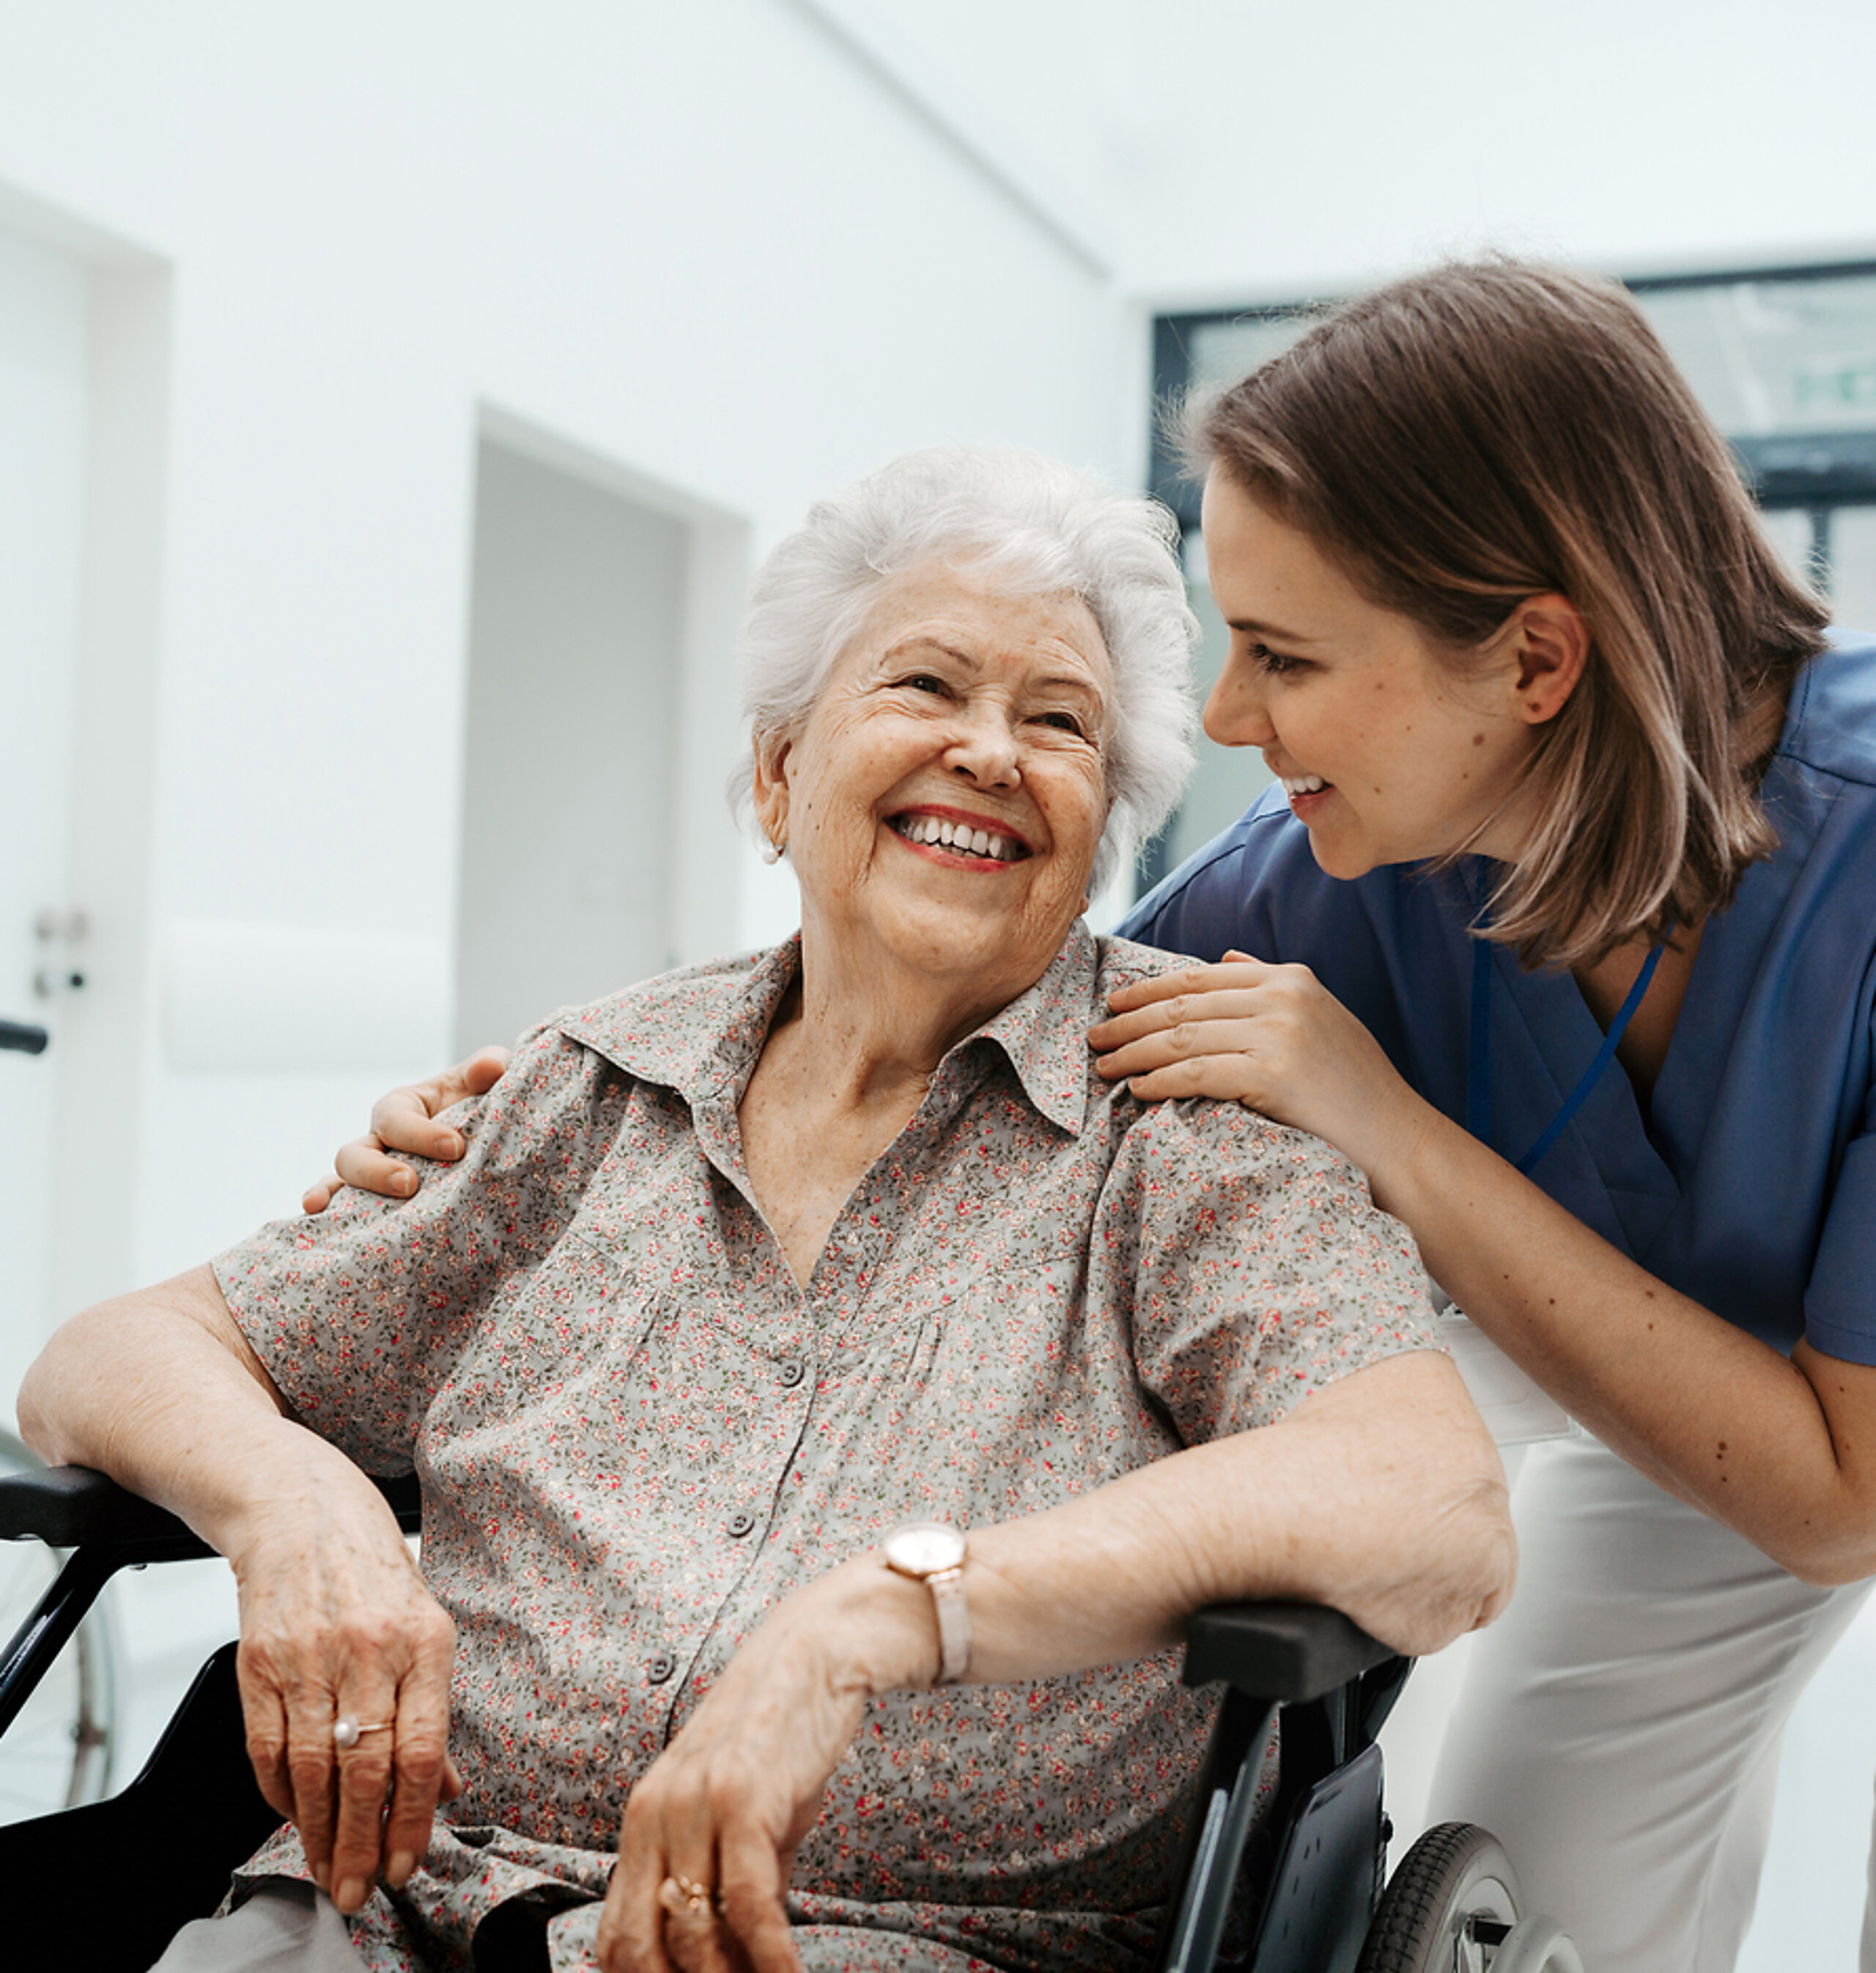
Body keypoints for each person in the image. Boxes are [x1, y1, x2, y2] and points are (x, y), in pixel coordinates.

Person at [21, 445, 1514, 1973]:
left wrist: (889, 1614)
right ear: (779, 773)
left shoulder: (1181, 1122)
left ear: (1100, 828)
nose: (989, 752)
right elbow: (109, 1356)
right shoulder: (590, 1090)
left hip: (891, 1942)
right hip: (392, 1906)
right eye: (926, 686)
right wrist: (293, 1503)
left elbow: (1434, 1502)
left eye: (1057, 721)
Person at [1080, 259, 1876, 1973]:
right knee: (1547, 1901)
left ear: (1531, 657)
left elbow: (1832, 1499)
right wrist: (578, 1088)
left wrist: (1387, 1127)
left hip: (1831, 1435)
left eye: (1283, 654)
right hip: (1681, 1371)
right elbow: (997, 1053)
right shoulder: (1327, 871)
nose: (1224, 717)